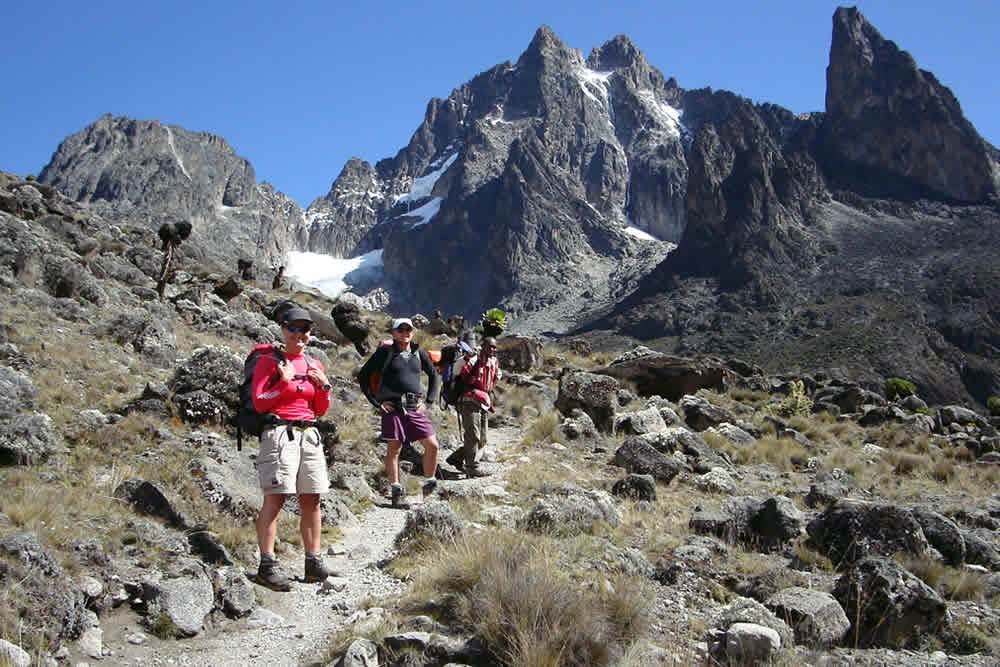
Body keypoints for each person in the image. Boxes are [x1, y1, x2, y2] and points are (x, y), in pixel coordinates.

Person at [251, 307, 334, 590]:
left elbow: (320, 409)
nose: (300, 334)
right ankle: (266, 565)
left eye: (305, 329)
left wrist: (323, 388)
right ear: (283, 329)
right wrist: (284, 381)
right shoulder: (268, 362)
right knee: (276, 498)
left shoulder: (315, 364)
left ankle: (313, 562)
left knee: (312, 499)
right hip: (279, 434)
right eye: (294, 328)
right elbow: (260, 402)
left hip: (309, 434)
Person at [358, 318, 441, 508]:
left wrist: (428, 401)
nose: (405, 333)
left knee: (432, 445)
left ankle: (429, 484)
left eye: (408, 330)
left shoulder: (418, 352)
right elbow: (363, 376)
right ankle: (396, 491)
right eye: (401, 330)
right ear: (394, 333)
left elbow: (434, 375)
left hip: (414, 406)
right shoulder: (385, 352)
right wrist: (377, 402)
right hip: (393, 407)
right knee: (394, 450)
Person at [455, 336, 501, 477]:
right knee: (473, 434)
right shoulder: (473, 360)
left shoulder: (494, 362)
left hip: (483, 401)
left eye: (494, 347)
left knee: (483, 437)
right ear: (483, 346)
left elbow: (495, 378)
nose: (492, 349)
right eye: (489, 346)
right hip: (468, 400)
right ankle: (472, 467)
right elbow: (460, 375)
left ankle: (456, 458)